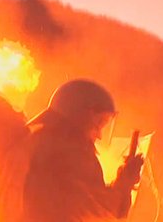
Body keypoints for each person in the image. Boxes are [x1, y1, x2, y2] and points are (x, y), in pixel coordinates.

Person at [22, 79, 144, 222]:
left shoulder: (39, 143)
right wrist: (124, 183)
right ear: (80, 116)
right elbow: (97, 210)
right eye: (99, 123)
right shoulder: (68, 152)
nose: (99, 135)